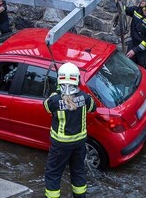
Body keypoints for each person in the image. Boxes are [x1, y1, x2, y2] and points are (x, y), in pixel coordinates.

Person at [44, 62, 96, 198]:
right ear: (77, 80)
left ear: (59, 80)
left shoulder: (54, 100)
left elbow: (46, 107)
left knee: (53, 175)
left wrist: (56, 91)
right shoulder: (85, 98)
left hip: (60, 145)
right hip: (79, 144)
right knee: (78, 172)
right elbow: (93, 107)